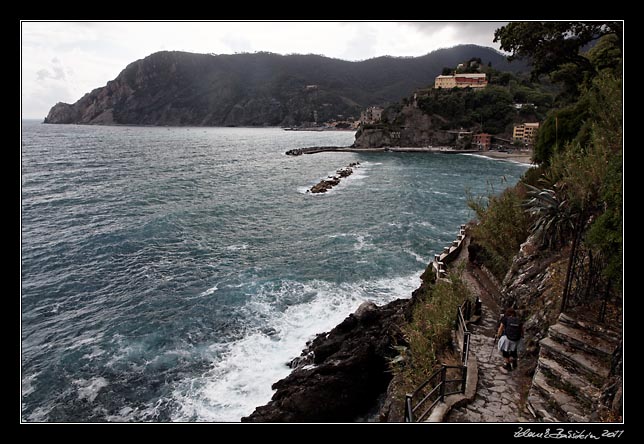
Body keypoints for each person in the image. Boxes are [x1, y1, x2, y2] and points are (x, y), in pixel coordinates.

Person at [496, 307, 523, 372]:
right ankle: (514, 360)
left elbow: (501, 328)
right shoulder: (518, 320)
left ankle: (508, 365)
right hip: (516, 339)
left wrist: (498, 335)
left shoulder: (505, 318)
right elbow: (522, 330)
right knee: (513, 350)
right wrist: (521, 336)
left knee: (505, 351)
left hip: (507, 338)